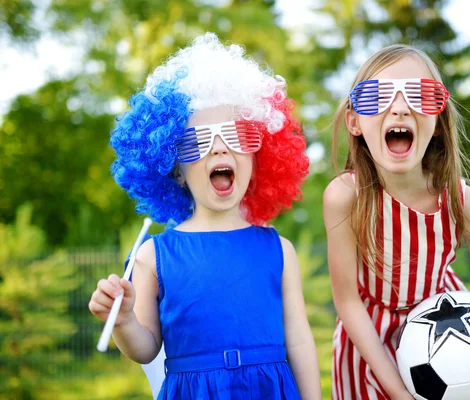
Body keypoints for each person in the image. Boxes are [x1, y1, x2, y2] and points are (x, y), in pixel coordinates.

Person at [88, 33, 321, 400]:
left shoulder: (280, 250)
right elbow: (145, 349)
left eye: (236, 134)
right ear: (175, 169)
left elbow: (299, 339)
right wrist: (123, 321)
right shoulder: (153, 255)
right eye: (196, 142)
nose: (218, 147)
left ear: (258, 154)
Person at [323, 44, 470, 400]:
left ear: (438, 122)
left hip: (451, 343)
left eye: (419, 95)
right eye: (376, 96)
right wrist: (399, 391)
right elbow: (347, 301)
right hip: (367, 350)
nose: (398, 107)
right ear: (354, 121)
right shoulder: (346, 197)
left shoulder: (463, 202)